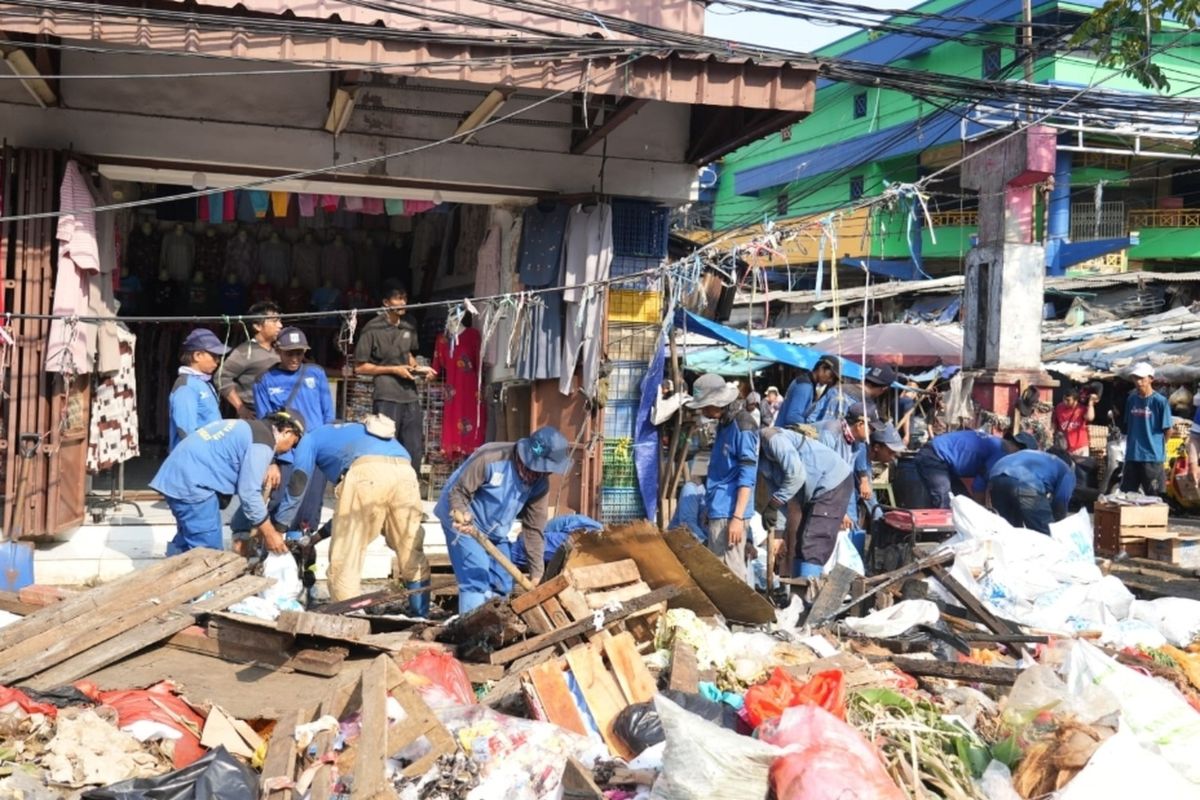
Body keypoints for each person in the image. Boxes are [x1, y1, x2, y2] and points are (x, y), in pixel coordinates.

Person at [275, 415, 427, 609]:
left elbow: (298, 482)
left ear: (293, 434)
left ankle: (349, 617)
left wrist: (279, 527)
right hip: (406, 471)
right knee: (410, 547)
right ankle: (421, 614)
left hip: (366, 472)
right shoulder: (354, 432)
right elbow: (346, 514)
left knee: (346, 555)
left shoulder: (309, 439)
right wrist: (315, 539)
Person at [435, 426, 571, 614]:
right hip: (463, 520)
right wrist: (462, 515)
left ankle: (494, 624)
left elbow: (534, 529)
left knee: (503, 580)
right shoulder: (491, 458)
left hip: (496, 529)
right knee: (476, 576)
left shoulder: (540, 484)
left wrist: (537, 573)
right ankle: (471, 627)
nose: (545, 474)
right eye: (543, 469)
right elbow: (458, 492)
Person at [150, 412, 305, 556]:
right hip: (193, 484)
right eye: (293, 444)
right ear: (287, 432)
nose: (290, 450)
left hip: (176, 477)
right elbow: (249, 493)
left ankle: (170, 571)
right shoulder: (263, 442)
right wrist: (270, 533)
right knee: (208, 554)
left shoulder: (250, 428)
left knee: (187, 541)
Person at [354, 286, 435, 473]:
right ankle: (384, 484)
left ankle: (410, 484)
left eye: (404, 298)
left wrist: (421, 370)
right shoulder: (372, 328)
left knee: (414, 447)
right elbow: (359, 367)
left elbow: (408, 355)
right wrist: (393, 370)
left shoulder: (409, 324)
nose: (402, 303)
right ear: (386, 302)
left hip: (410, 394)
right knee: (385, 444)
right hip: (386, 394)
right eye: (398, 299)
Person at [688, 374, 759, 585]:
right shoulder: (724, 423)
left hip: (730, 511)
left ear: (716, 402)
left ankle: (742, 608)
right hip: (719, 507)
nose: (702, 411)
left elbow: (747, 476)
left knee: (731, 574)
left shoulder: (742, 425)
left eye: (704, 406)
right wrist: (710, 508)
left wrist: (737, 518)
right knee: (718, 572)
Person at [758, 427, 854, 579]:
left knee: (813, 544)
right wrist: (778, 534)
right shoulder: (761, 461)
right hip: (813, 489)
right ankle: (797, 589)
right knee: (800, 543)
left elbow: (797, 476)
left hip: (833, 482)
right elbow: (778, 496)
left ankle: (807, 591)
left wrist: (774, 504)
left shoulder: (773, 439)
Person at [915, 430, 1031, 509]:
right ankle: (942, 535)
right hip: (935, 456)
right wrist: (981, 513)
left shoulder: (997, 443)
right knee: (944, 500)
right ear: (1020, 450)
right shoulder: (1001, 453)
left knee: (962, 503)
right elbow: (979, 485)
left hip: (942, 458)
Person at [254, 327, 335, 429]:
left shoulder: (317, 373)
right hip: (287, 438)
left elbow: (328, 413)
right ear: (278, 351)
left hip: (317, 436)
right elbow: (265, 421)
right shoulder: (263, 381)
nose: (294, 359)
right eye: (289, 354)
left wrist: (327, 433)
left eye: (299, 353)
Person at [168, 328, 231, 452]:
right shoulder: (186, 387)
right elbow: (185, 430)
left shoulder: (202, 382)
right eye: (214, 356)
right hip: (193, 457)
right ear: (197, 355)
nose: (218, 361)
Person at [218, 301, 282, 419]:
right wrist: (240, 407)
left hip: (278, 413)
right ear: (257, 326)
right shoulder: (244, 352)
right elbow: (221, 377)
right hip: (255, 415)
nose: (280, 325)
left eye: (280, 321)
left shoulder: (280, 350)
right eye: (275, 321)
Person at [987, 449, 1076, 534]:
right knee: (1045, 533)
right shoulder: (1066, 470)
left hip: (996, 475)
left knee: (1008, 529)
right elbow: (1061, 503)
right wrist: (1057, 528)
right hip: (1026, 480)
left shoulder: (1037, 456)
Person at [1121, 361, 1172, 496]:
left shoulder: (1160, 401)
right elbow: (1128, 424)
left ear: (1150, 379)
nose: (1138, 382)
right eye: (1135, 378)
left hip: (1152, 457)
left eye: (1142, 378)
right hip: (1132, 455)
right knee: (1127, 496)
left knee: (1155, 497)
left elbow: (1168, 429)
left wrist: (1158, 446)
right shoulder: (1131, 399)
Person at [803, 356, 847, 423]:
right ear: (822, 368)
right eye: (831, 376)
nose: (830, 380)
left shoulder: (818, 388)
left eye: (834, 379)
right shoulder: (805, 386)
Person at [1053, 388, 1096, 457]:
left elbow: (1090, 417)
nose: (1065, 402)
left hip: (1081, 447)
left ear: (1075, 400)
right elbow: (1054, 424)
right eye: (1064, 399)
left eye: (1068, 400)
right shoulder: (1059, 408)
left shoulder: (1081, 409)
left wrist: (1091, 404)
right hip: (1065, 448)